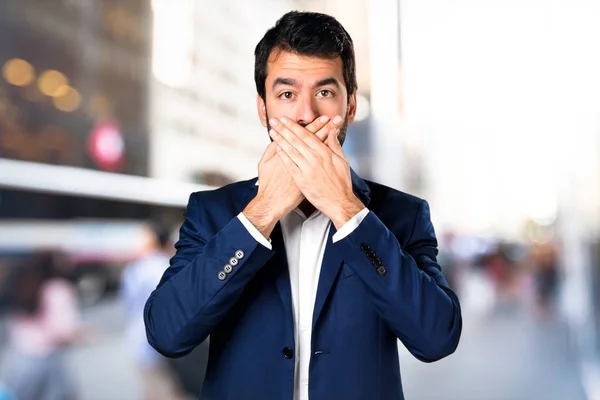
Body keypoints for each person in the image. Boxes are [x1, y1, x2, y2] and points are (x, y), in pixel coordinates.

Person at [144, 11, 462, 400]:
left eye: (325, 93)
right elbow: (166, 333)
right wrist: (260, 213)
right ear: (263, 109)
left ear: (350, 108)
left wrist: (347, 210)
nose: (306, 114)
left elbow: (436, 338)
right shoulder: (213, 212)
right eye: (287, 94)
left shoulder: (402, 215)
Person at [1, 251, 84, 400]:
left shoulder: (26, 284)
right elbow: (63, 332)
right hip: (47, 362)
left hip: (19, 361)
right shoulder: (58, 289)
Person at [120, 221, 185, 400]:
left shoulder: (135, 269)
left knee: (155, 390)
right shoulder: (166, 267)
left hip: (141, 339)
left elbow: (128, 303)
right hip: (163, 343)